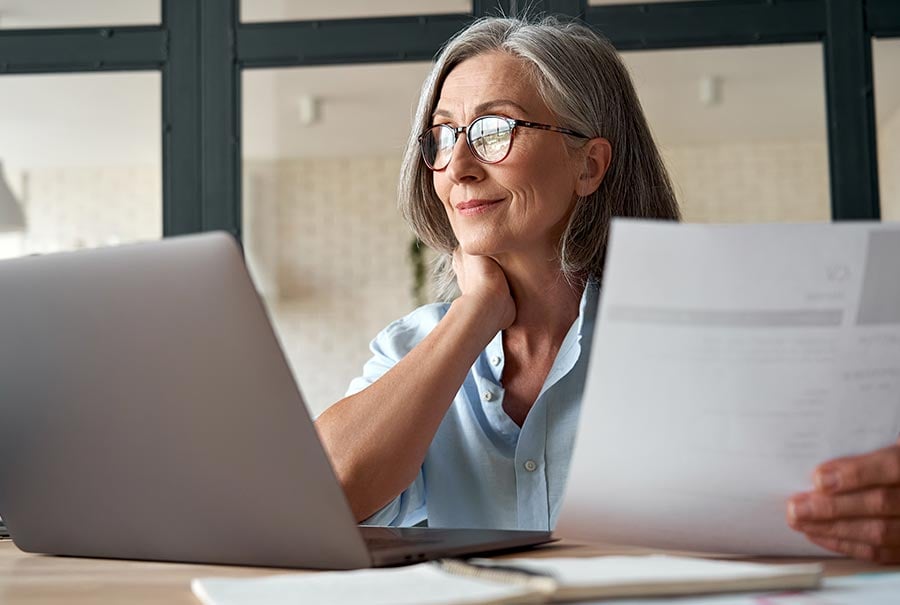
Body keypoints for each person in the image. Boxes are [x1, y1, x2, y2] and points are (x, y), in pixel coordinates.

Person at [315, 16, 900, 564]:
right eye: (442, 136)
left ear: (589, 166)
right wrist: (474, 314)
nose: (459, 164)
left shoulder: (703, 335)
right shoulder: (411, 348)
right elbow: (322, 498)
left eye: (495, 130)